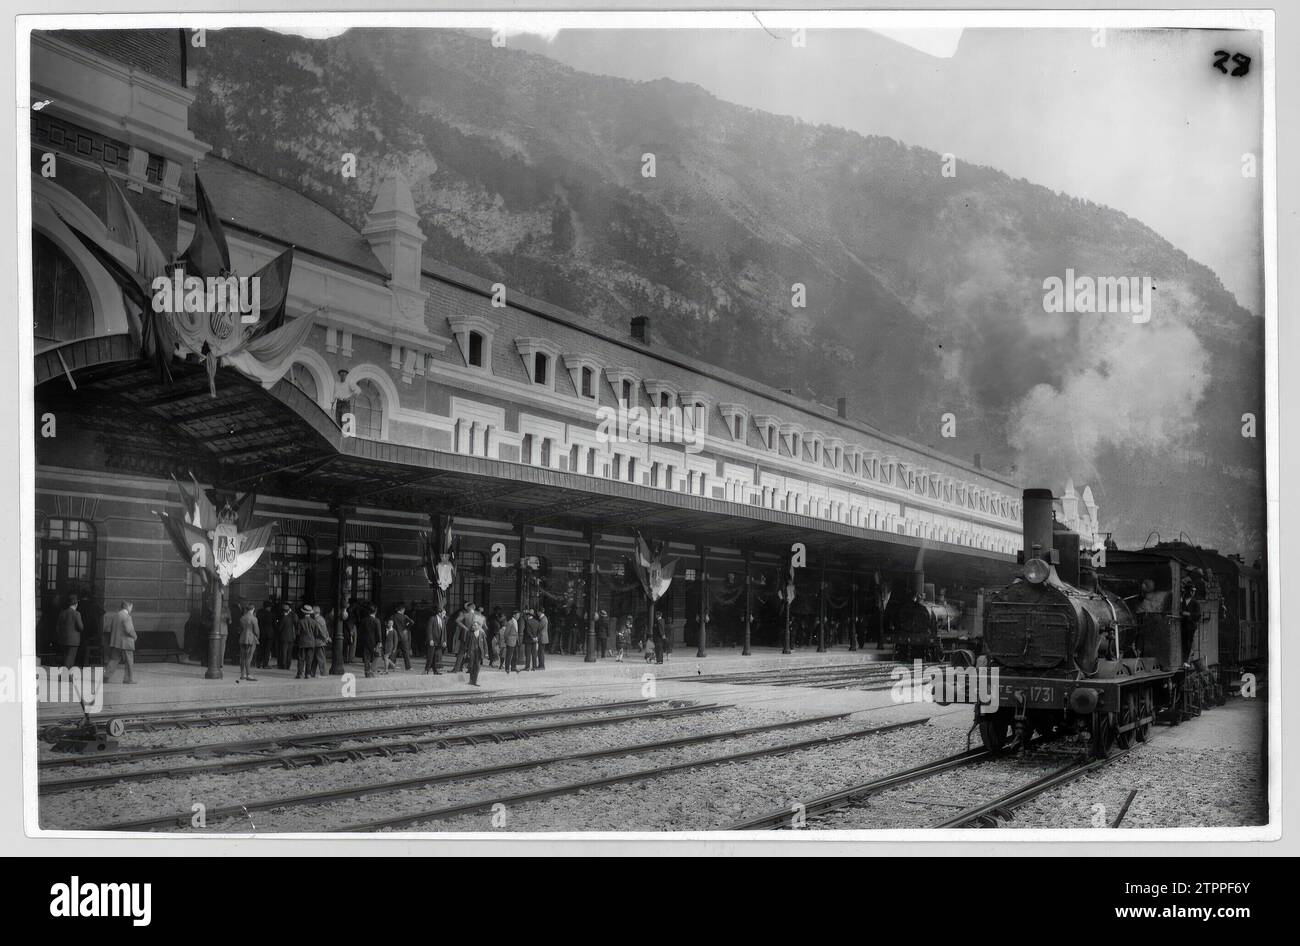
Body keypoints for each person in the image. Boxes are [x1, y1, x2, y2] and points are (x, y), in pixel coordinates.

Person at [105, 600, 137, 684]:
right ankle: (128, 679)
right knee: (129, 661)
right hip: (126, 642)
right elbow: (129, 630)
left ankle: (106, 676)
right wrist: (135, 636)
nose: (131, 609)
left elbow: (111, 628)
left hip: (116, 642)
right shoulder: (127, 616)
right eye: (131, 607)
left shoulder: (116, 615)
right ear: (128, 606)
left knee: (114, 659)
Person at [56, 594, 83, 668]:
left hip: (63, 640)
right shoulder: (77, 614)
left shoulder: (62, 613)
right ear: (76, 604)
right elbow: (81, 627)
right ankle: (65, 675)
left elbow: (58, 627)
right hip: (73, 641)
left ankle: (66, 674)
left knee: (65, 657)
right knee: (70, 659)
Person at [294, 604, 317, 679]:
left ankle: (300, 674)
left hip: (302, 642)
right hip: (311, 642)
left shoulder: (300, 621)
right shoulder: (314, 622)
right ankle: (308, 674)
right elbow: (316, 633)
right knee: (309, 659)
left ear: (304, 612)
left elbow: (297, 633)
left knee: (301, 658)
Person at [358, 602, 381, 678]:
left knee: (366, 657)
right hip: (374, 641)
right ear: (375, 611)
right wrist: (379, 641)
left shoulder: (364, 620)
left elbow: (360, 631)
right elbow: (378, 633)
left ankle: (367, 672)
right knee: (376, 656)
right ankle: (372, 671)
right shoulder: (377, 621)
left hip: (365, 641)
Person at [239, 602, 259, 682]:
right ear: (253, 609)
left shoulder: (242, 618)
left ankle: (242, 674)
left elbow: (240, 629)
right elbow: (256, 631)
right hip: (251, 639)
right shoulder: (254, 618)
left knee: (242, 657)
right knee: (249, 657)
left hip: (242, 638)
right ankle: (249, 675)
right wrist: (257, 637)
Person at [391, 604, 414, 671]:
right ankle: (408, 667)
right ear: (402, 610)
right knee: (405, 652)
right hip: (404, 637)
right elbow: (412, 622)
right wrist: (406, 628)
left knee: (394, 651)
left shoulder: (393, 616)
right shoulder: (404, 616)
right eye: (404, 610)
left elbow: (388, 623)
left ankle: (391, 665)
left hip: (395, 636)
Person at [425, 605, 447, 674]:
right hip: (433, 641)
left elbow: (444, 632)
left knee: (435, 657)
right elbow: (429, 630)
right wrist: (430, 639)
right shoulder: (432, 618)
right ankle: (426, 670)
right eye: (443, 613)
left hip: (439, 641)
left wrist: (444, 641)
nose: (444, 615)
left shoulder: (443, 620)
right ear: (439, 613)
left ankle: (435, 671)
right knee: (430, 656)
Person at [467, 618, 487, 686]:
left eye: (475, 625)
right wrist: (467, 652)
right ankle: (471, 681)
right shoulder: (470, 634)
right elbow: (467, 643)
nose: (473, 627)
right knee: (471, 666)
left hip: (479, 652)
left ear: (478, 626)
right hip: (472, 652)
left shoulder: (482, 633)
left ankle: (475, 681)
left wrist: (485, 653)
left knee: (477, 666)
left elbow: (485, 644)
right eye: (473, 625)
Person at [311, 606, 331, 676]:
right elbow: (325, 629)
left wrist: (326, 638)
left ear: (314, 612)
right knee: (315, 658)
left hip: (319, 641)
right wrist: (327, 637)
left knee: (320, 658)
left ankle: (323, 673)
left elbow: (321, 631)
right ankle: (312, 672)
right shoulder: (322, 618)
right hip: (320, 642)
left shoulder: (316, 620)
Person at [256, 600, 275, 669]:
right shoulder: (271, 614)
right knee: (267, 650)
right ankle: (265, 664)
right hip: (269, 634)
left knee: (260, 649)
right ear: (268, 607)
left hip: (261, 633)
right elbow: (274, 625)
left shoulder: (259, 613)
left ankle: (258, 663)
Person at [277, 603, 296, 670]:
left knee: (284, 652)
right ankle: (288, 666)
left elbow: (279, 628)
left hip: (284, 637)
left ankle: (283, 665)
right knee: (289, 653)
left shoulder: (284, 618)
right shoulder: (293, 615)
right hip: (291, 637)